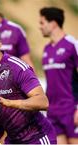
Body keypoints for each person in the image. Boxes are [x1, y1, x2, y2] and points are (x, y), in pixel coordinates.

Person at [39, 7, 78, 144]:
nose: (40, 27)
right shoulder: (46, 49)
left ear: (53, 23)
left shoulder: (72, 45)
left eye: (42, 23)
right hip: (53, 111)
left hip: (71, 109)